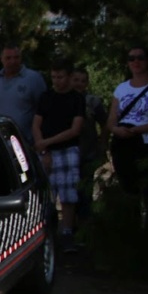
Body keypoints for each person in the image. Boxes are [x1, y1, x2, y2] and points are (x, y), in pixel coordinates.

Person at [32, 61, 86, 253]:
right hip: (46, 151)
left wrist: (48, 142)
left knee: (68, 194)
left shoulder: (76, 99)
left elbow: (75, 129)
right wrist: (43, 149)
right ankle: (45, 233)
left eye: (60, 77)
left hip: (67, 149)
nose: (57, 81)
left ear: (69, 77)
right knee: (46, 194)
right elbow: (36, 124)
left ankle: (67, 232)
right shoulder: (46, 97)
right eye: (54, 77)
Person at [106, 45, 148, 196]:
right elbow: (111, 119)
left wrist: (135, 130)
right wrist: (116, 130)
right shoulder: (121, 88)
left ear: (147, 60)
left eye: (140, 58)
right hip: (123, 145)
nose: (136, 61)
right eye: (131, 58)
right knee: (129, 190)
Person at [0, 43, 47, 142]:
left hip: (26, 140)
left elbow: (43, 109)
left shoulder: (34, 79)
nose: (13, 61)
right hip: (0, 140)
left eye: (16, 57)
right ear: (1, 59)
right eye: (8, 58)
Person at [72, 66, 108, 221]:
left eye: (83, 81)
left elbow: (105, 123)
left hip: (87, 152)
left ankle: (85, 225)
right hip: (68, 152)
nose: (79, 84)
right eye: (76, 80)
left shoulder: (93, 101)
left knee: (85, 192)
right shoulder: (62, 100)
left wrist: (103, 142)